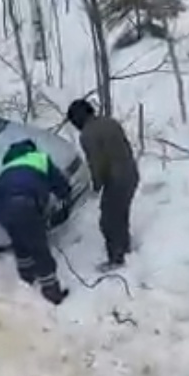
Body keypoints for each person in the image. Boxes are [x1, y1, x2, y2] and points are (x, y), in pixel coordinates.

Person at [0, 139, 72, 305]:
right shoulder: (39, 158)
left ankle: (26, 276)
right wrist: (65, 197)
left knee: (20, 241)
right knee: (38, 247)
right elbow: (59, 183)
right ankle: (51, 291)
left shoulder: (6, 168)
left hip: (1, 209)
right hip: (24, 205)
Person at [66, 99, 140, 271]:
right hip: (131, 173)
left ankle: (116, 258)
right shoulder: (110, 122)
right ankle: (124, 246)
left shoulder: (87, 135)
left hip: (116, 180)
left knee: (108, 221)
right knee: (120, 214)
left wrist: (96, 185)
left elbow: (96, 163)